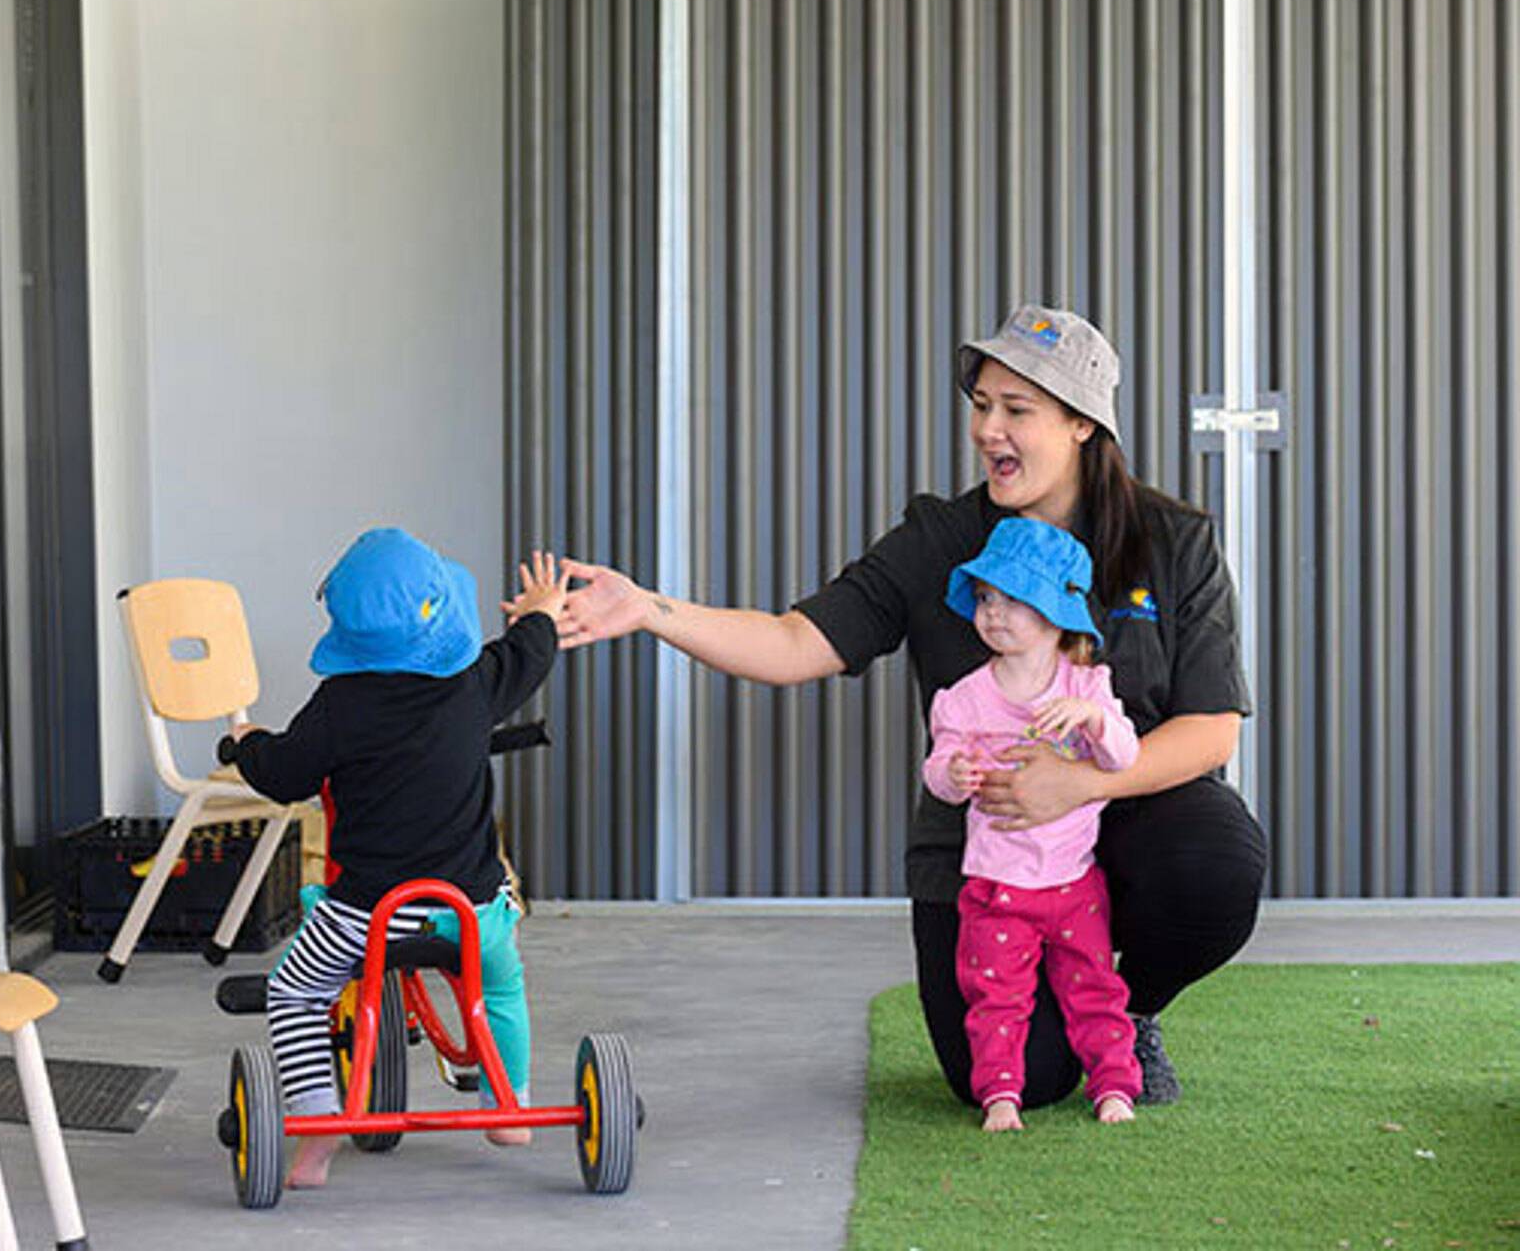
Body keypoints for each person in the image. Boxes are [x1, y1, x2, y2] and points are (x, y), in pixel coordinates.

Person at [553, 303, 1268, 1112]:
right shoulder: (939, 539)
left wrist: (1080, 786)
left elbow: (1211, 729)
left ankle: (1124, 1007)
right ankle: (1068, 1018)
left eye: (1016, 410)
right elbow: (796, 643)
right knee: (1016, 1082)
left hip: (1123, 823)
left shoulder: (1171, 539)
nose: (988, 429)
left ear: (1080, 424)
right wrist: (651, 609)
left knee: (1218, 861)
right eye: (981, 406)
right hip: (987, 853)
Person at [222, 528, 565, 1188]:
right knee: (500, 985)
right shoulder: (476, 683)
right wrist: (540, 610)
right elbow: (532, 651)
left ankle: (316, 1137)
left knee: (295, 993)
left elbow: (287, 774)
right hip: (471, 911)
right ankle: (509, 1108)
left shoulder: (339, 708)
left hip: (364, 917)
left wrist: (247, 743)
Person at [923, 517, 1141, 1132]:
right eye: (987, 598)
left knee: (1095, 988)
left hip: (1074, 885)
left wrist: (1094, 722)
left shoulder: (1087, 685)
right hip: (996, 888)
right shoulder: (963, 698)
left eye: (1015, 599)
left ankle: (1114, 1086)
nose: (994, 613)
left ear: (1056, 614)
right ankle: (1000, 1096)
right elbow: (937, 770)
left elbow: (1124, 757)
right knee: (996, 997)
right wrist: (953, 773)